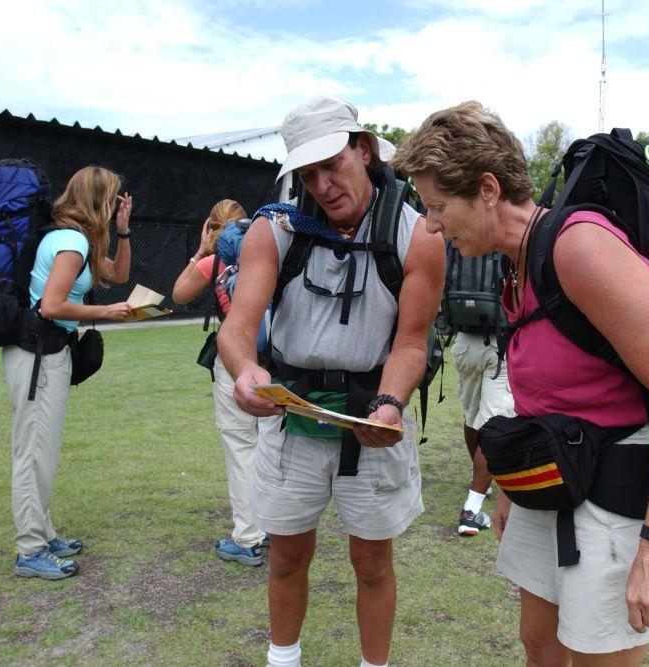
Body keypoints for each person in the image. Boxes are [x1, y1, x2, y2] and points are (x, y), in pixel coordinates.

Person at [392, 102, 649, 665]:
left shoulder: (580, 247)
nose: (431, 224)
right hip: (555, 481)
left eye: (438, 206)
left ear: (487, 189)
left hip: (617, 494)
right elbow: (550, 388)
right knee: (539, 644)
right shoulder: (516, 262)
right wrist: (517, 491)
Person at [218, 97, 445, 667]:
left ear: (363, 150)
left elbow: (410, 343)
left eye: (332, 164)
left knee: (372, 565)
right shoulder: (274, 230)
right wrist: (246, 372)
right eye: (307, 174)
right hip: (292, 420)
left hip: (372, 418)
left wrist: (391, 403)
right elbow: (236, 330)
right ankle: (283, 659)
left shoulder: (417, 234)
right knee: (286, 558)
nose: (322, 185)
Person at [6, 165, 133, 580]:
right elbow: (51, 305)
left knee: (43, 449)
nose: (115, 205)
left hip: (49, 351)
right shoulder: (71, 241)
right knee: (34, 453)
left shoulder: (75, 238)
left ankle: (43, 532)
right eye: (112, 198)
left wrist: (123, 231)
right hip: (38, 354)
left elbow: (118, 274)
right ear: (99, 200)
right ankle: (30, 549)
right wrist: (107, 312)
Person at [171, 198, 268, 566]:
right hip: (273, 358)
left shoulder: (213, 263)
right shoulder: (266, 255)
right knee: (270, 446)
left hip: (234, 361)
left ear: (211, 228)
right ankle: (271, 525)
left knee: (241, 446)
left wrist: (199, 251)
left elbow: (179, 293)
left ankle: (247, 537)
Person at [443, 245, 516, 536]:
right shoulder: (509, 242)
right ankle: (472, 510)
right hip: (501, 343)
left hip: (464, 341)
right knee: (494, 425)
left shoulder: (462, 241)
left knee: (473, 418)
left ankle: (481, 481)